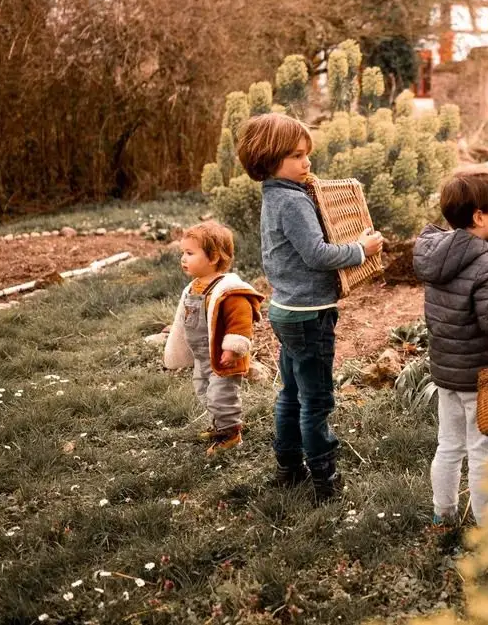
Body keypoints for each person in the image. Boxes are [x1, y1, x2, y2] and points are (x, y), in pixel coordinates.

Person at [237, 113, 385, 503]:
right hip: (309, 314)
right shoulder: (293, 202)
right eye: (297, 156)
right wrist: (361, 250)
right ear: (270, 159)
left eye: (307, 154)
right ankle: (324, 478)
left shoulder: (275, 194)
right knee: (316, 400)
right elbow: (317, 255)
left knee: (291, 392)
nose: (307, 162)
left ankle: (289, 468)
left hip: (286, 309)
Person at [413, 171, 488, 527]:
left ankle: (444, 512)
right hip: (480, 378)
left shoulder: (436, 256)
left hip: (447, 373)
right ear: (480, 217)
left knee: (449, 445)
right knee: (483, 452)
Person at [163, 221, 264, 456]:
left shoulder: (230, 291)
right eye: (183, 253)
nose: (183, 259)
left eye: (190, 253)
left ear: (214, 257)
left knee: (221, 396)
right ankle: (221, 425)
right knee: (205, 392)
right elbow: (183, 321)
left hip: (223, 358)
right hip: (202, 356)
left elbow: (240, 323)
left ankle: (231, 435)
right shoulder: (194, 288)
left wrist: (232, 349)